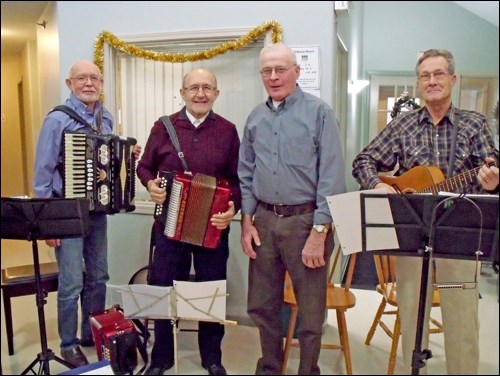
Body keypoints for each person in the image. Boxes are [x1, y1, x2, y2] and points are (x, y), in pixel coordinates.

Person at [352, 49, 499, 375]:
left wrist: (492, 181)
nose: (432, 81)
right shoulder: (403, 125)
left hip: (457, 243)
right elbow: (362, 161)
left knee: (460, 321)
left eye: (439, 74)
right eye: (425, 76)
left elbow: (490, 171)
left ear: (453, 79)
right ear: (419, 83)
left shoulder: (473, 125)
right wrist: (377, 184)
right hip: (414, 239)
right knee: (412, 319)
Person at [238, 43, 347, 375]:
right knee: (261, 304)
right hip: (265, 222)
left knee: (311, 312)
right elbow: (246, 172)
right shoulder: (255, 118)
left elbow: (331, 175)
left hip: (306, 223)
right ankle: (270, 367)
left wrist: (320, 231)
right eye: (267, 71)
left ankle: (307, 371)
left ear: (296, 72)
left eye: (280, 69)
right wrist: (246, 221)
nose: (273, 77)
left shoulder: (320, 112)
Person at [33, 60, 141, 367]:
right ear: (70, 84)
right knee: (70, 282)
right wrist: (45, 223)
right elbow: (42, 172)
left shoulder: (105, 117)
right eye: (82, 78)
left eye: (94, 78)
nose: (89, 83)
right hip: (65, 211)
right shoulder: (57, 120)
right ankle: (67, 344)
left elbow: (107, 158)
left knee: (99, 276)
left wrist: (126, 155)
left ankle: (88, 332)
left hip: (97, 211)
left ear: (101, 83)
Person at [136, 68, 241, 376]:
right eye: (193, 88)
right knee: (163, 289)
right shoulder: (164, 126)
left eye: (207, 88)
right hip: (169, 227)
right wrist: (150, 185)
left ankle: (211, 357)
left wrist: (232, 206)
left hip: (213, 227)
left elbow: (237, 179)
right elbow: (145, 168)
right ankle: (161, 357)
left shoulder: (227, 130)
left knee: (210, 291)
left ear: (216, 94)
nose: (200, 93)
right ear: (182, 93)